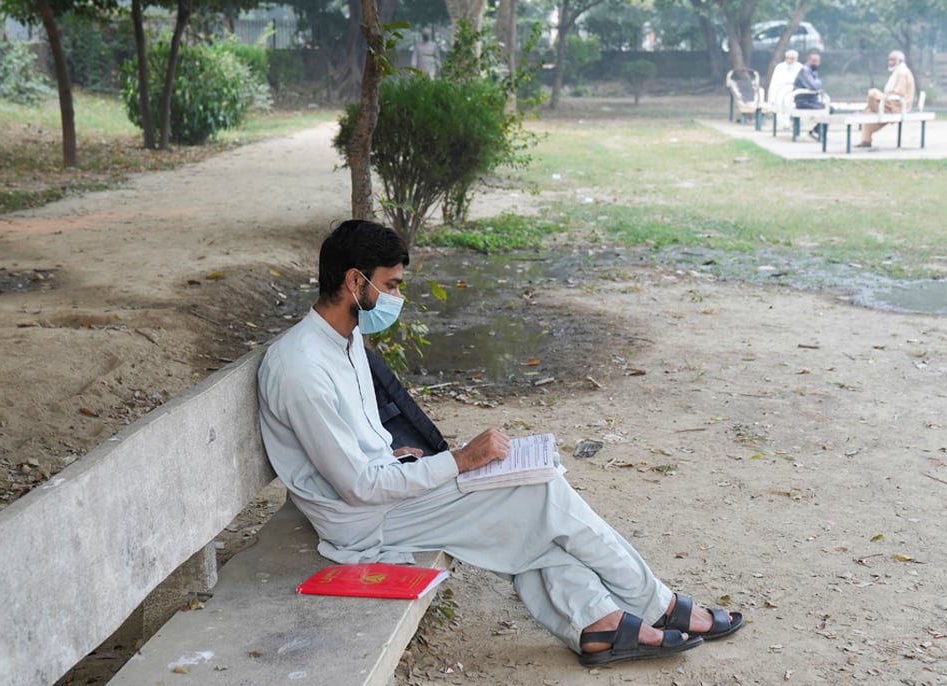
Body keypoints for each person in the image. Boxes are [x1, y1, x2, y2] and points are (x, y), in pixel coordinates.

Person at [257, 220, 745, 666]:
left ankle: (601, 624)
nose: (395, 298)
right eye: (390, 286)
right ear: (353, 282)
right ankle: (657, 605)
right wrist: (460, 460)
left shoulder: (343, 341)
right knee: (541, 493)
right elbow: (359, 487)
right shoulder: (302, 368)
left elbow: (362, 451)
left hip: (388, 495)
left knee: (532, 508)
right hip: (364, 521)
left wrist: (406, 458)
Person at [858, 50, 916, 149]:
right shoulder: (897, 71)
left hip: (897, 106)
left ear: (900, 60)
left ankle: (865, 110)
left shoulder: (902, 72)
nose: (890, 62)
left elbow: (899, 92)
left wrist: (882, 96)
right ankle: (865, 141)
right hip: (890, 103)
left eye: (893, 60)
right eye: (889, 59)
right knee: (869, 114)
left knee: (872, 93)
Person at [792, 50, 828, 140]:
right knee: (826, 109)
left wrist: (818, 85)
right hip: (803, 101)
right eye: (814, 61)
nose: (816, 63)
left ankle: (816, 131)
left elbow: (818, 85)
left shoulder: (813, 72)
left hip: (811, 100)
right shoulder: (805, 71)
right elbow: (814, 86)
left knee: (829, 109)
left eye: (817, 61)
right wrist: (818, 85)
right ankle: (818, 132)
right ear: (808, 60)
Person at [767, 49, 801, 129]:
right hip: (781, 90)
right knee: (780, 101)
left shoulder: (800, 67)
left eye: (792, 58)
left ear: (796, 59)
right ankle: (783, 123)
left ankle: (792, 123)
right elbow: (774, 82)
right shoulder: (780, 67)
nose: (789, 60)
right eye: (787, 58)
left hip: (795, 91)